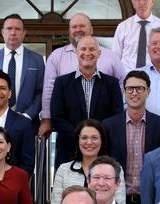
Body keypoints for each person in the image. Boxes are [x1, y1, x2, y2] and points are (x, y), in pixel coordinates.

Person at [40, 13, 125, 138]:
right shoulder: (56, 57)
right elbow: (49, 90)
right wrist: (47, 119)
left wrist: (100, 134)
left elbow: (122, 87)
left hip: (103, 138)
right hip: (69, 137)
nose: (78, 29)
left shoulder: (111, 57)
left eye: (82, 26)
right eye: (74, 27)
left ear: (91, 29)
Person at [51, 36, 123, 168]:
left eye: (92, 49)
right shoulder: (62, 83)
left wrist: (96, 139)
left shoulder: (111, 83)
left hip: (103, 153)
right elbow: (57, 117)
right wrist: (81, 138)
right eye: (83, 49)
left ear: (99, 53)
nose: (87, 53)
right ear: (76, 53)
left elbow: (116, 117)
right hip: (69, 151)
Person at [103, 70, 160, 204]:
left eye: (140, 88)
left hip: (152, 201)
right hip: (119, 200)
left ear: (148, 92)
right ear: (124, 91)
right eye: (130, 88)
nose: (134, 93)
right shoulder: (109, 126)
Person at [51, 119, 126, 204]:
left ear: (102, 141)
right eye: (84, 138)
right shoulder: (64, 170)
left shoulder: (115, 168)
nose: (89, 142)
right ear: (78, 141)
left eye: (94, 138)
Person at [0, 14, 45, 131]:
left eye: (17, 29)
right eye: (9, 28)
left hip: (27, 123)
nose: (13, 33)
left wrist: (27, 115)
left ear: (24, 33)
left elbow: (41, 92)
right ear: (2, 32)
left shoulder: (37, 60)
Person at [112, 0, 160, 70]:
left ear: (152, 1)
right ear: (133, 3)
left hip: (154, 78)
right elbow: (115, 58)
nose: (141, 2)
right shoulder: (123, 27)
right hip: (128, 78)